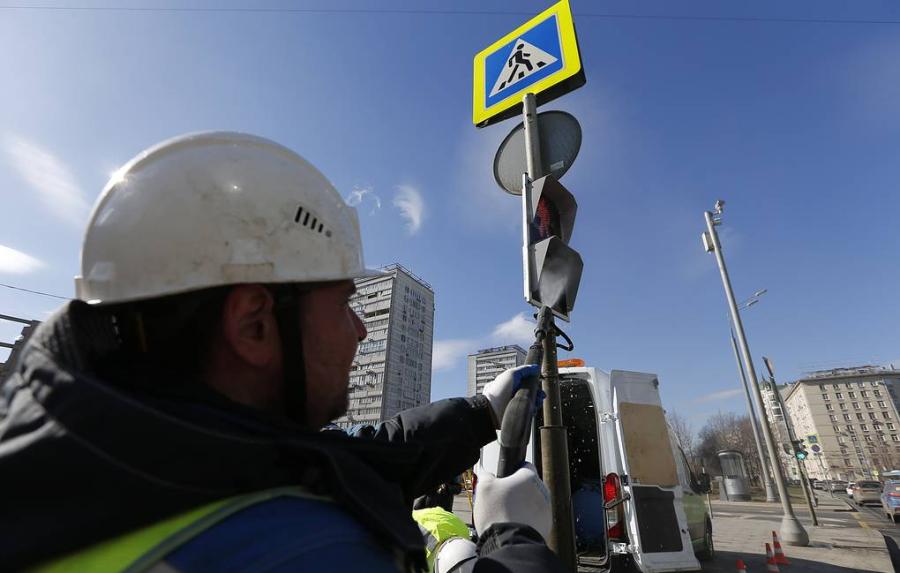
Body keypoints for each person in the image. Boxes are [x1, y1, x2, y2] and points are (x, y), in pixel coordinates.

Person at [0, 132, 563, 572]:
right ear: (254, 324)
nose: (360, 331)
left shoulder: (125, 450)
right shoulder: (303, 551)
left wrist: (480, 412)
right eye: (344, 304)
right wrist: (515, 539)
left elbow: (344, 457)